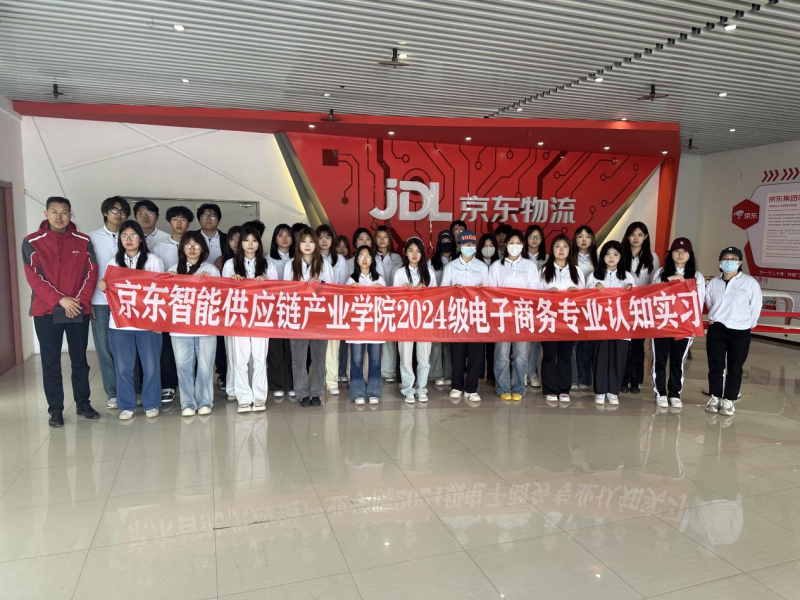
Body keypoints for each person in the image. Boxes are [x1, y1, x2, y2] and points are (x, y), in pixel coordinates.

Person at [23, 196, 99, 428]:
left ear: (70, 215)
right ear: (46, 214)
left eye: (64, 212)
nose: (59, 216)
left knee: (80, 359)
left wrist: (79, 302)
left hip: (78, 308)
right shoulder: (32, 241)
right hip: (46, 311)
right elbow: (34, 277)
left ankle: (83, 403)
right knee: (51, 362)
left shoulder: (83, 241)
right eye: (54, 211)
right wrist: (60, 300)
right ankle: (55, 410)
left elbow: (91, 272)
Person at [98, 220, 164, 421]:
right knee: (124, 367)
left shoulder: (153, 261)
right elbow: (110, 298)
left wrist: (159, 322)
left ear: (141, 239)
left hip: (148, 322)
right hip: (120, 324)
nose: (128, 239)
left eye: (133, 235)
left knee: (151, 366)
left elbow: (162, 292)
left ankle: (151, 403)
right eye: (124, 236)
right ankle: (127, 405)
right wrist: (104, 288)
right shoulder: (113, 263)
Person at [223, 225, 277, 413]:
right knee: (241, 360)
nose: (250, 244)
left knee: (260, 359)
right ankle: (244, 398)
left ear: (259, 243)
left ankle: (259, 396)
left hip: (261, 318)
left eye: (254, 240)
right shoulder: (230, 264)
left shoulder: (267, 265)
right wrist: (232, 282)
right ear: (241, 243)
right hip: (239, 318)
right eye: (246, 240)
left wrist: (266, 282)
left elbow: (278, 292)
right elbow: (223, 292)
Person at [705, 246, 762, 418]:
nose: (729, 262)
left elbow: (755, 307)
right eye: (725, 258)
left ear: (740, 262)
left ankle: (729, 400)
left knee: (735, 367)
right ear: (720, 262)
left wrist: (747, 324)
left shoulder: (750, 283)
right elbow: (710, 303)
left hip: (740, 330)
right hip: (717, 328)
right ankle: (715, 396)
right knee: (715, 365)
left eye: (733, 259)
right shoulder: (713, 283)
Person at [166, 232, 220, 416]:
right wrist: (168, 281)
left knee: (205, 366)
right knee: (183, 366)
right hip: (180, 328)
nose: (192, 249)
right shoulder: (173, 270)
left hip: (205, 326)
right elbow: (164, 299)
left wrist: (210, 282)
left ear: (202, 249)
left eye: (196, 245)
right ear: (182, 248)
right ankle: (187, 403)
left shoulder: (211, 270)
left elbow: (220, 297)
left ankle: (205, 401)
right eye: (188, 245)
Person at [651, 238, 705, 410]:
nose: (680, 254)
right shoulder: (661, 272)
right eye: (676, 251)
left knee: (678, 360)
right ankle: (660, 392)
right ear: (671, 254)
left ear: (690, 255)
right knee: (659, 359)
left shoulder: (697, 276)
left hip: (684, 325)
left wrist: (694, 326)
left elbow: (699, 302)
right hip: (662, 323)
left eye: (684, 251)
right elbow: (652, 294)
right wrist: (669, 280)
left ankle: (674, 393)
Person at [488, 229, 540, 402]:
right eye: (511, 243)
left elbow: (534, 291)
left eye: (518, 243)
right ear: (505, 244)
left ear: (523, 245)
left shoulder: (530, 266)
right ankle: (502, 387)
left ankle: (519, 387)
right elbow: (490, 292)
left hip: (522, 317)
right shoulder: (496, 266)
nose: (514, 246)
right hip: (502, 316)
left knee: (521, 355)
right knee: (502, 354)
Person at [89, 195, 131, 410]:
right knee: (105, 348)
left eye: (123, 211)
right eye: (115, 210)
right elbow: (85, 271)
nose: (119, 214)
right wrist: (87, 300)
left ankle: (132, 389)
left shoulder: (131, 236)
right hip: (100, 301)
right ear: (105, 212)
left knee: (129, 347)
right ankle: (113, 392)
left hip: (128, 301)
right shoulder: (91, 238)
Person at [285, 228, 334, 407]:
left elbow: (332, 290)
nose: (307, 245)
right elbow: (286, 291)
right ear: (298, 244)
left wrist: (319, 285)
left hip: (319, 317)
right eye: (304, 241)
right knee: (299, 358)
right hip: (298, 316)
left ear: (316, 244)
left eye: (311, 241)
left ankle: (316, 392)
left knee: (319, 357)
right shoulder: (291, 264)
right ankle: (302, 392)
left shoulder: (324, 264)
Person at [442, 230, 490, 403]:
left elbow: (490, 293)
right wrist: (453, 290)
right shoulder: (451, 267)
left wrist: (483, 290)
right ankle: (456, 386)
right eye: (465, 244)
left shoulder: (482, 267)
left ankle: (471, 388)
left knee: (476, 353)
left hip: (477, 315)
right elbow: (443, 292)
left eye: (471, 244)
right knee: (457, 353)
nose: (468, 247)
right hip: (457, 314)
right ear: (459, 245)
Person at [586, 241, 635, 407]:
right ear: (602, 257)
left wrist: (631, 290)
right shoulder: (594, 276)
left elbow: (635, 300)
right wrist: (594, 289)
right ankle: (600, 391)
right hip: (600, 323)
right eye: (607, 254)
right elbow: (583, 298)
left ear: (621, 257)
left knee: (618, 357)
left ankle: (613, 391)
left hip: (621, 324)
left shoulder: (627, 277)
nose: (611, 257)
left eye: (615, 254)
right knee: (600, 357)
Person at [539, 234, 586, 403]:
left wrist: (575, 292)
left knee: (565, 355)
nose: (561, 250)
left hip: (569, 319)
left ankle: (564, 389)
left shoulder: (577, 271)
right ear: (552, 249)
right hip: (549, 318)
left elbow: (584, 296)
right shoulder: (544, 270)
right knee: (550, 355)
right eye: (557, 246)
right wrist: (548, 293)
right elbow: (536, 294)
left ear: (569, 250)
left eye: (565, 246)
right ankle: (550, 389)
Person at [393, 237, 438, 404]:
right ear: (405, 253)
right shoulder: (399, 273)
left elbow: (436, 298)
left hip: (424, 321)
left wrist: (425, 291)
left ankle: (421, 388)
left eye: (418, 251)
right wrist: (403, 291)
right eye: (411, 250)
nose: (414, 254)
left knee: (423, 358)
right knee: (405, 358)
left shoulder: (429, 273)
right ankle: (408, 389)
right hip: (405, 321)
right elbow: (393, 299)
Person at [621, 222, 659, 394]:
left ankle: (636, 380)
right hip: (623, 306)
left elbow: (655, 281)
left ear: (645, 237)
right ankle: (623, 378)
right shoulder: (621, 253)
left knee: (637, 345)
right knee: (624, 344)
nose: (636, 238)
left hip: (642, 306)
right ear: (627, 236)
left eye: (640, 235)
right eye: (632, 234)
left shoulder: (652, 257)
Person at [348, 245, 386, 405]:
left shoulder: (379, 279)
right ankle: (357, 392)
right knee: (356, 360)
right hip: (357, 326)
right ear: (357, 260)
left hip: (375, 326)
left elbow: (386, 302)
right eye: (361, 256)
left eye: (368, 256)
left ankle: (374, 392)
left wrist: (381, 291)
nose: (364, 259)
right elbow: (345, 303)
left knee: (375, 360)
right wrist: (350, 291)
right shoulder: (351, 280)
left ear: (372, 260)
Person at [317, 224, 348, 396]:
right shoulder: (311, 258)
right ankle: (318, 379)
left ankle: (331, 380)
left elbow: (343, 285)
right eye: (320, 237)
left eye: (327, 237)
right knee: (317, 347)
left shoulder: (340, 260)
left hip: (335, 307)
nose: (324, 241)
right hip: (316, 308)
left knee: (333, 347)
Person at [266, 223, 296, 398]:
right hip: (274, 308)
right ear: (274, 239)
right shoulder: (267, 259)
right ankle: (277, 383)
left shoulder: (299, 258)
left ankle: (292, 383)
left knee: (292, 347)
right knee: (276, 347)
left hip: (294, 307)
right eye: (280, 235)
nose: (284, 239)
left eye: (288, 235)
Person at [214, 225, 242, 398]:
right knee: (228, 350)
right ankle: (228, 381)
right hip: (228, 312)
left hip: (249, 314)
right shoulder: (222, 261)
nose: (236, 242)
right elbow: (218, 287)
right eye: (232, 239)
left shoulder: (258, 260)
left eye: (240, 238)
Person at [570, 225, 598, 391]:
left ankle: (585, 378)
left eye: (587, 236)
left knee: (587, 343)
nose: (584, 240)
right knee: (572, 342)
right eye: (580, 236)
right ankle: (573, 378)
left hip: (591, 307)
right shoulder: (569, 258)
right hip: (573, 305)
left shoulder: (598, 259)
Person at [375, 225, 402, 384]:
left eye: (385, 237)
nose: (382, 240)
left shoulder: (396, 258)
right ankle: (374, 370)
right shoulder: (371, 256)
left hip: (392, 302)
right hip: (374, 302)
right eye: (379, 236)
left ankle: (388, 371)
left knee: (390, 338)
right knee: (375, 337)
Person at [429, 229, 456, 385]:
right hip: (436, 307)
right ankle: (437, 374)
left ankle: (449, 373)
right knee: (436, 343)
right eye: (443, 241)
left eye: (449, 241)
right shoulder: (431, 263)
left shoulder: (458, 261)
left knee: (450, 343)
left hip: (453, 307)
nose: (447, 244)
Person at [522, 225, 547, 389]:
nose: (534, 240)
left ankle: (532, 374)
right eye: (531, 236)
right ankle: (522, 373)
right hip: (522, 304)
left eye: (538, 237)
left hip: (541, 305)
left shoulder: (547, 259)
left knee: (536, 343)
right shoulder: (520, 258)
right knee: (523, 342)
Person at [477, 233, 499, 383]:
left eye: (491, 245)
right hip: (478, 307)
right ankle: (479, 373)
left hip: (495, 309)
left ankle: (492, 374)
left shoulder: (500, 264)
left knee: (493, 343)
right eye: (485, 246)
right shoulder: (475, 263)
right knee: (479, 342)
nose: (488, 248)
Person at [152, 206, 194, 270]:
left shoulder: (195, 247)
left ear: (188, 224)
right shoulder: (159, 248)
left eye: (183, 219)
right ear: (169, 223)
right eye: (174, 219)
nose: (179, 223)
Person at [334, 234, 352, 385]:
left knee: (345, 342)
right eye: (338, 246)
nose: (341, 249)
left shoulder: (351, 263)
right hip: (332, 306)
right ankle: (335, 371)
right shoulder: (329, 261)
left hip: (347, 307)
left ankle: (343, 371)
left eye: (344, 246)